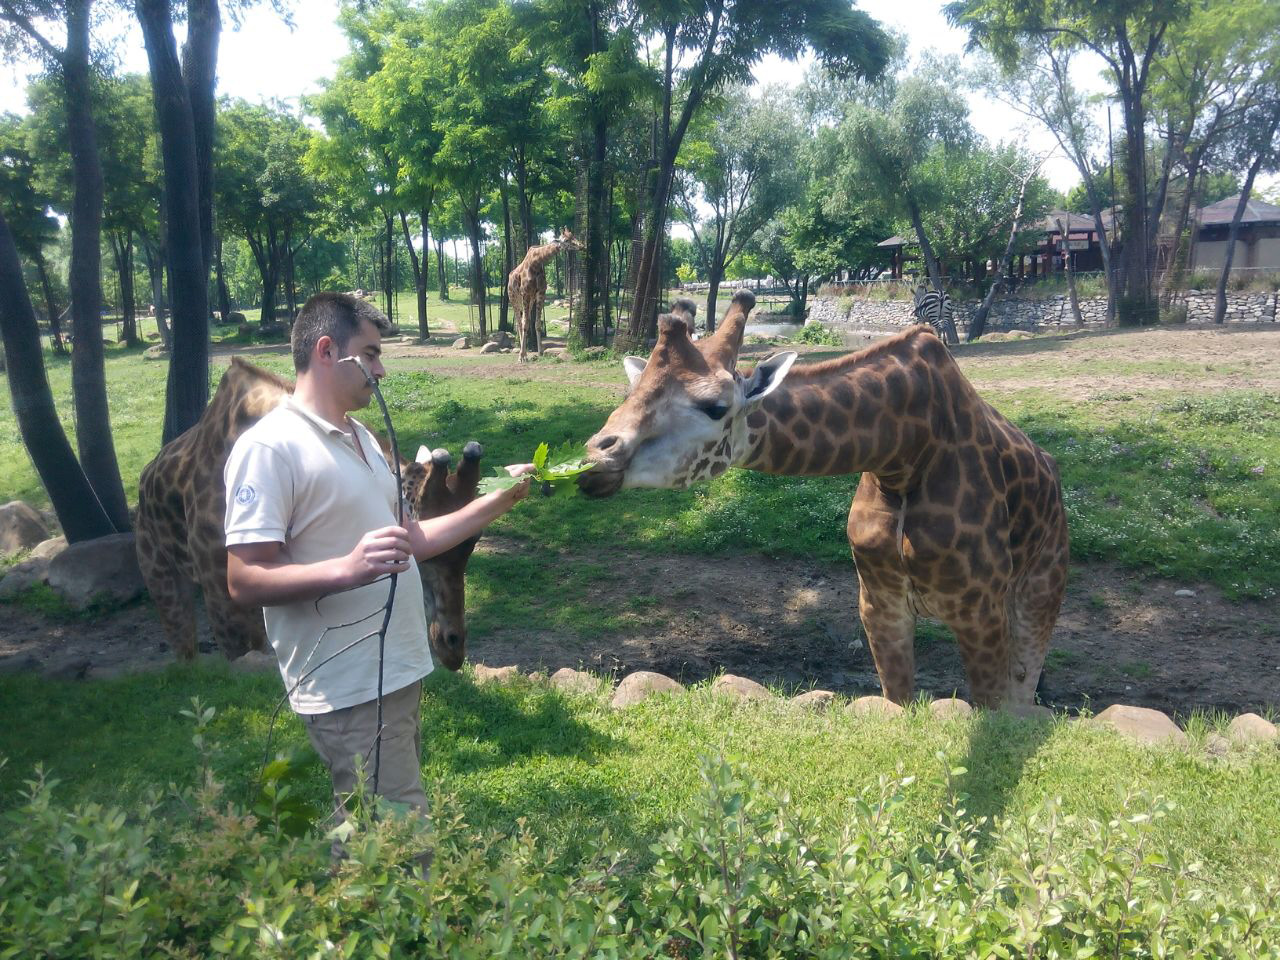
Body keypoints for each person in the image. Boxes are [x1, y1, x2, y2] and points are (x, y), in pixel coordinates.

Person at [223, 291, 531, 858]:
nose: (381, 369)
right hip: (348, 682)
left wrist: (503, 499)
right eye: (369, 354)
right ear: (326, 351)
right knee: (403, 844)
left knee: (369, 835)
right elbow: (244, 578)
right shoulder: (270, 448)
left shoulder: (361, 438)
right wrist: (347, 569)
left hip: (395, 670)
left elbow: (413, 541)